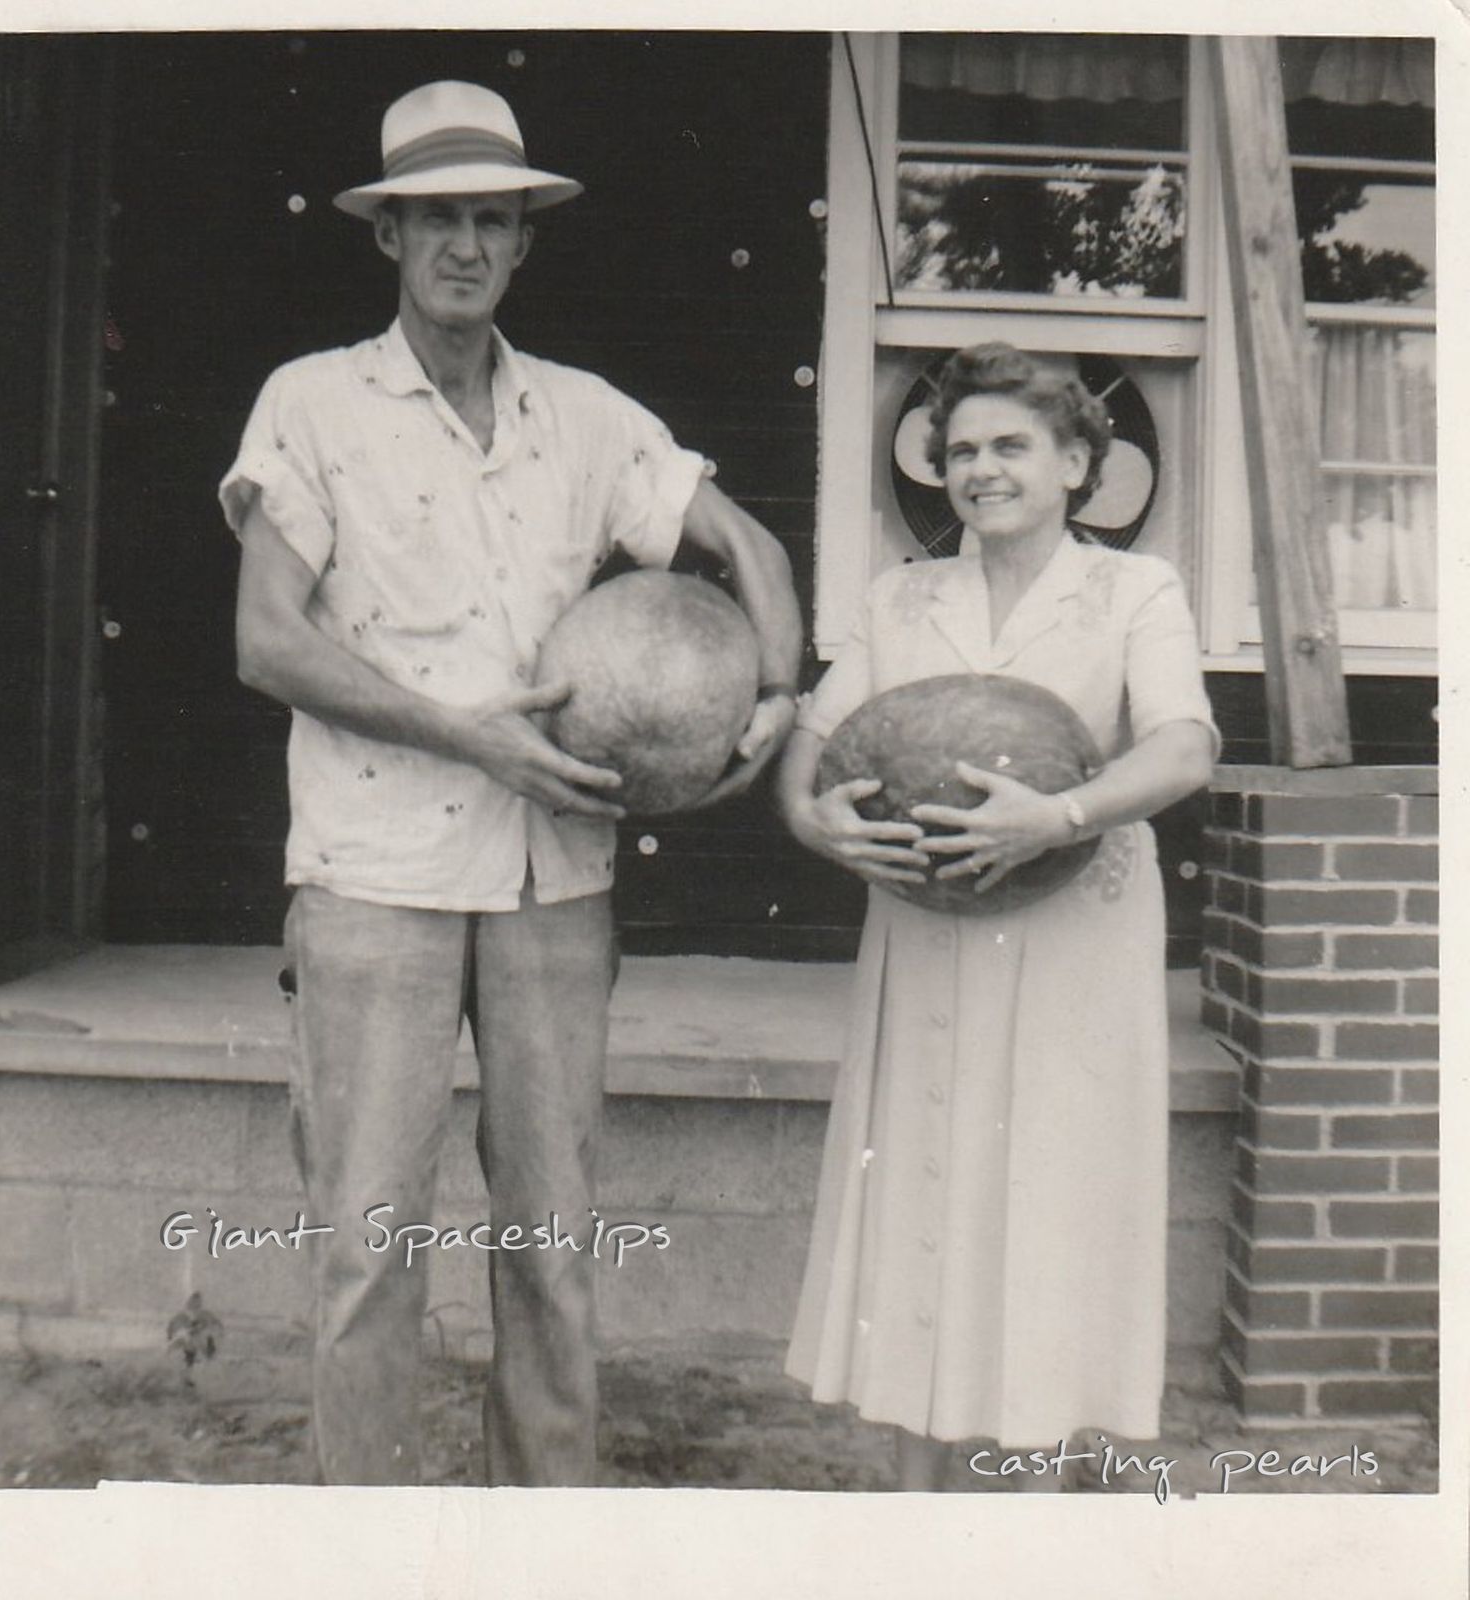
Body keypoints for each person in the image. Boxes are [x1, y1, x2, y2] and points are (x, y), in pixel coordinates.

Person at [222, 80, 801, 1487]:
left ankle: (542, 1538)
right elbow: (265, 641)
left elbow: (753, 551)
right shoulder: (313, 403)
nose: (466, 246)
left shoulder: (588, 419)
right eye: (438, 220)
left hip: (555, 884)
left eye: (492, 220)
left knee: (552, 1248)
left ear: (525, 242)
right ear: (389, 236)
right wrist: (465, 734)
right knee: (369, 1249)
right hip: (377, 876)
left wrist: (773, 703)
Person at [778, 343, 1217, 1491]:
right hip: (925, 938)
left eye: (1011, 446)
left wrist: (1060, 815)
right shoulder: (900, 596)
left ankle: (1032, 1512)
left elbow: (1183, 746)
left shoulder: (1135, 590)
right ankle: (919, 1507)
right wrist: (815, 822)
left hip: (1076, 944)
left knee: (1049, 1204)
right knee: (923, 1188)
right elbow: (814, 742)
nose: (981, 469)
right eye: (961, 449)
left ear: (1075, 463)